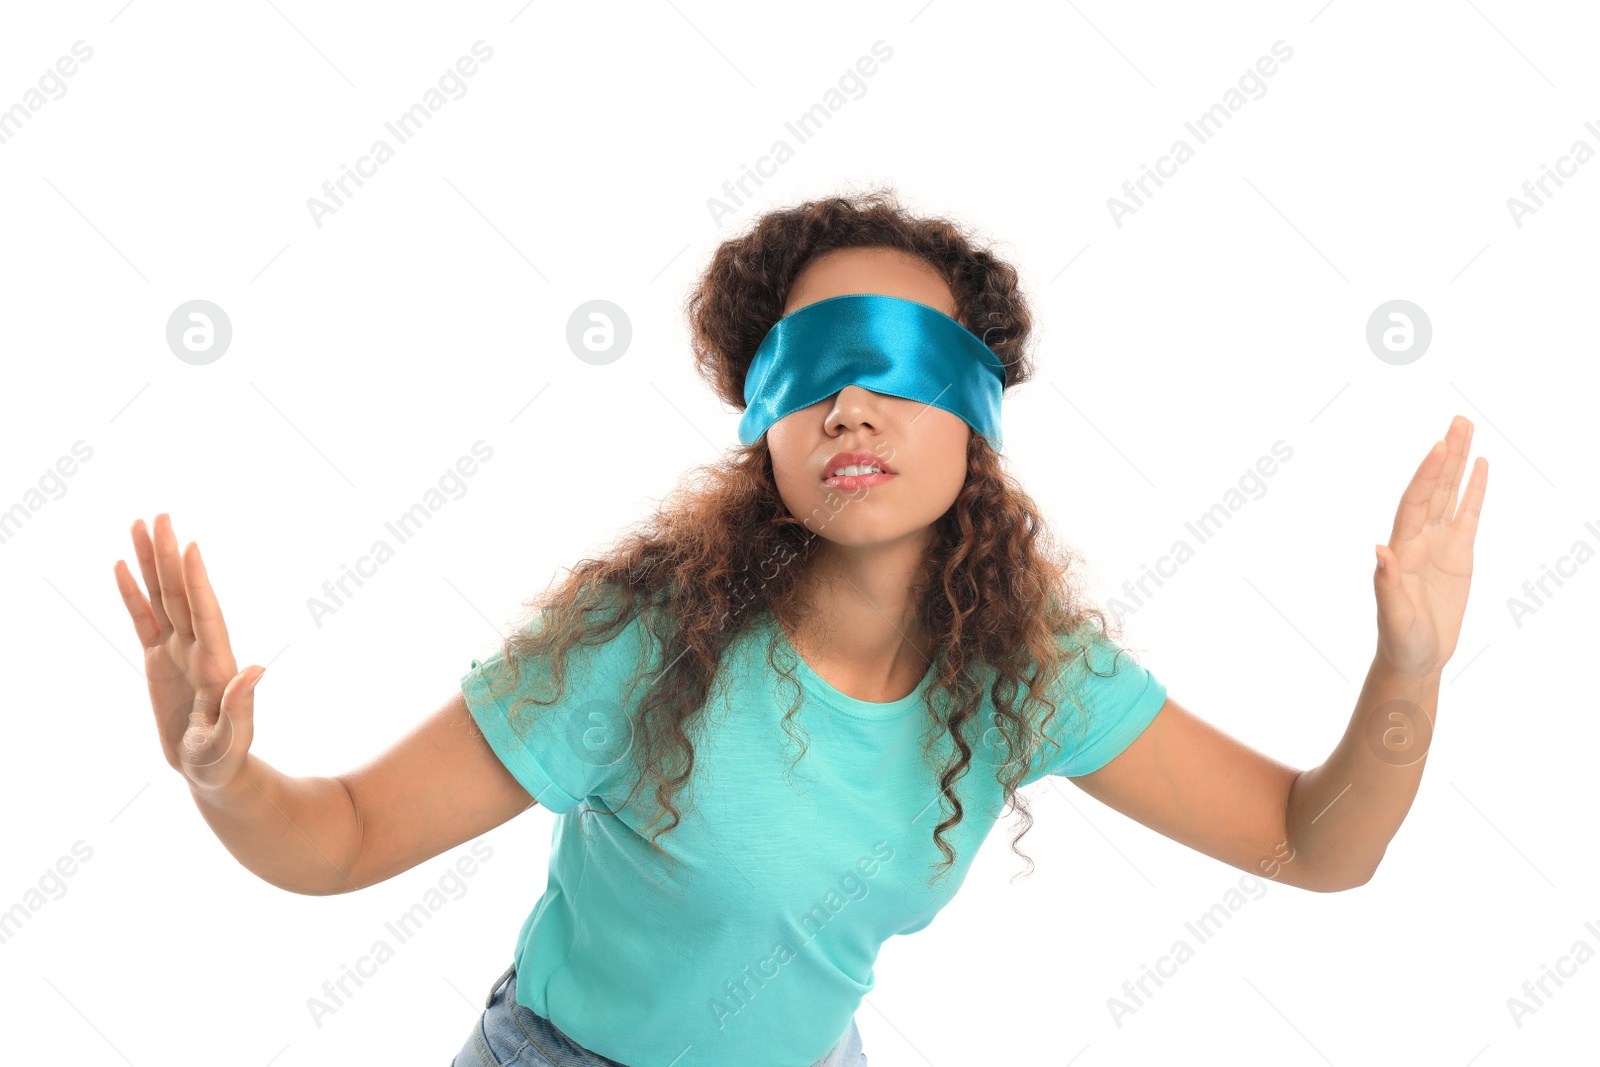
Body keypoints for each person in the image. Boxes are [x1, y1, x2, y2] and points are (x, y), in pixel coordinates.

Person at [113, 188, 1489, 1067]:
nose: (851, 407)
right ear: (768, 426)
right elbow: (344, 837)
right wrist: (225, 775)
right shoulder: (639, 642)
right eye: (814, 373)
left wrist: (1406, 669)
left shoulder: (1029, 676)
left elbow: (1318, 847)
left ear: (975, 418)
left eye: (897, 366)